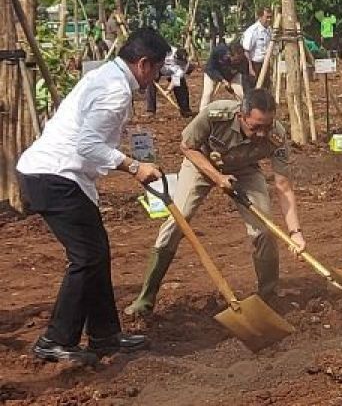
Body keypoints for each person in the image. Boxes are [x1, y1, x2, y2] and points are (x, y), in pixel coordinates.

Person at [16, 28, 169, 364]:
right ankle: (55, 340)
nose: (156, 77)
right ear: (144, 64)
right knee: (87, 256)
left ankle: (104, 335)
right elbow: (88, 144)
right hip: (54, 175)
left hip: (57, 173)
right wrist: (132, 166)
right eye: (157, 69)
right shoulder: (114, 90)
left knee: (96, 252)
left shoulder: (106, 75)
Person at [125, 90, 305, 317]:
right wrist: (217, 178)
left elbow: (283, 185)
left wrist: (295, 232)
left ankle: (268, 297)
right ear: (241, 116)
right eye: (255, 127)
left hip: (245, 170)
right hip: (201, 165)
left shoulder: (277, 135)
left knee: (264, 229)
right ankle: (145, 298)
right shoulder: (215, 114)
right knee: (176, 223)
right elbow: (187, 146)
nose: (261, 133)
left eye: (266, 126)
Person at [199, 40, 249, 112]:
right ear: (229, 54)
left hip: (232, 75)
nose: (238, 62)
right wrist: (223, 80)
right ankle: (202, 113)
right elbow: (211, 68)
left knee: (240, 93)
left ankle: (243, 111)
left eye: (239, 60)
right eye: (235, 60)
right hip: (213, 72)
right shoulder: (218, 51)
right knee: (208, 92)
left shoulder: (243, 60)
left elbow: (245, 76)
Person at [145, 46, 192, 117]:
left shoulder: (185, 64)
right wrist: (154, 72)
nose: (180, 64)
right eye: (178, 62)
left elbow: (176, 78)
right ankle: (150, 110)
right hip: (159, 68)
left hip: (172, 73)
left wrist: (168, 90)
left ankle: (185, 109)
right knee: (150, 84)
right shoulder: (165, 51)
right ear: (175, 56)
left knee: (181, 84)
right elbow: (153, 60)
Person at [242, 7, 274, 81]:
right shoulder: (253, 31)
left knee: (266, 88)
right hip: (254, 64)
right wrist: (250, 68)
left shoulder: (269, 30)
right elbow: (246, 51)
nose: (269, 20)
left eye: (270, 17)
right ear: (260, 17)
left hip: (265, 63)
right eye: (267, 17)